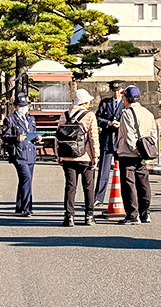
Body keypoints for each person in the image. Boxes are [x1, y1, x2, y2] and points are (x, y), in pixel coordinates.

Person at [57, 89, 100, 226]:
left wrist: (59, 156)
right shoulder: (89, 115)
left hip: (67, 157)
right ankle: (89, 216)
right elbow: (93, 138)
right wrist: (96, 156)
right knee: (88, 187)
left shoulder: (64, 115)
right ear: (85, 102)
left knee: (70, 186)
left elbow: (58, 137)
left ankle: (69, 216)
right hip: (85, 156)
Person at [116, 85, 157, 225]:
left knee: (129, 185)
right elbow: (153, 135)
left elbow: (129, 136)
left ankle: (132, 215)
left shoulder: (126, 113)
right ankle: (145, 213)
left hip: (128, 154)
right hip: (143, 155)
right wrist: (145, 151)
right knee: (143, 184)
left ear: (127, 99)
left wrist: (135, 150)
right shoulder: (148, 113)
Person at [3, 93, 39, 217]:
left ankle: (20, 206)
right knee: (26, 179)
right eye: (21, 105)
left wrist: (37, 138)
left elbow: (32, 133)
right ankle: (26, 207)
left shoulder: (30, 118)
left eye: (25, 105)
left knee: (26, 180)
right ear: (16, 106)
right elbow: (5, 136)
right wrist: (16, 138)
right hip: (19, 153)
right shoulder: (10, 119)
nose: (24, 108)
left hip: (30, 152)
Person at [94, 80, 125, 208]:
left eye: (118, 91)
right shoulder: (105, 103)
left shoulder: (125, 103)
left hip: (120, 140)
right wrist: (108, 123)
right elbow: (98, 117)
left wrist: (120, 124)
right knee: (103, 171)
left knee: (124, 171)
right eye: (114, 91)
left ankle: (124, 197)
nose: (116, 93)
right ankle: (98, 198)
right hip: (107, 139)